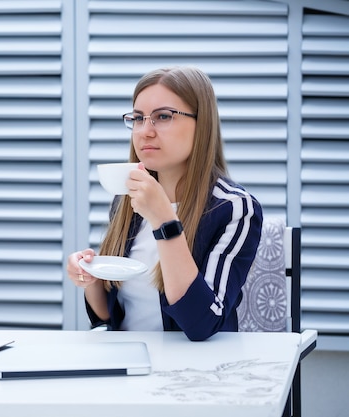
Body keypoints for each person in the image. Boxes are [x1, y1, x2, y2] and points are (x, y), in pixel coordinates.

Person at [67, 66, 263, 341]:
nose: (145, 131)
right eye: (138, 118)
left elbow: (203, 323)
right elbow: (109, 317)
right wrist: (89, 278)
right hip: (129, 361)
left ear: (201, 123)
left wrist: (164, 220)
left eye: (162, 116)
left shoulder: (234, 209)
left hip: (196, 372)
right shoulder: (128, 199)